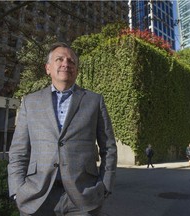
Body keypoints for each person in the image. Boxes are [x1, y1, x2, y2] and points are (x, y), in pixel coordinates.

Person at [7, 42, 117, 216]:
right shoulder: (30, 101)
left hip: (83, 198)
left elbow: (109, 148)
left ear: (77, 70)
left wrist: (105, 186)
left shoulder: (94, 101)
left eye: (72, 61)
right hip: (36, 197)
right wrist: (16, 191)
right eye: (60, 59)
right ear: (48, 68)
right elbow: (18, 151)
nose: (66, 63)